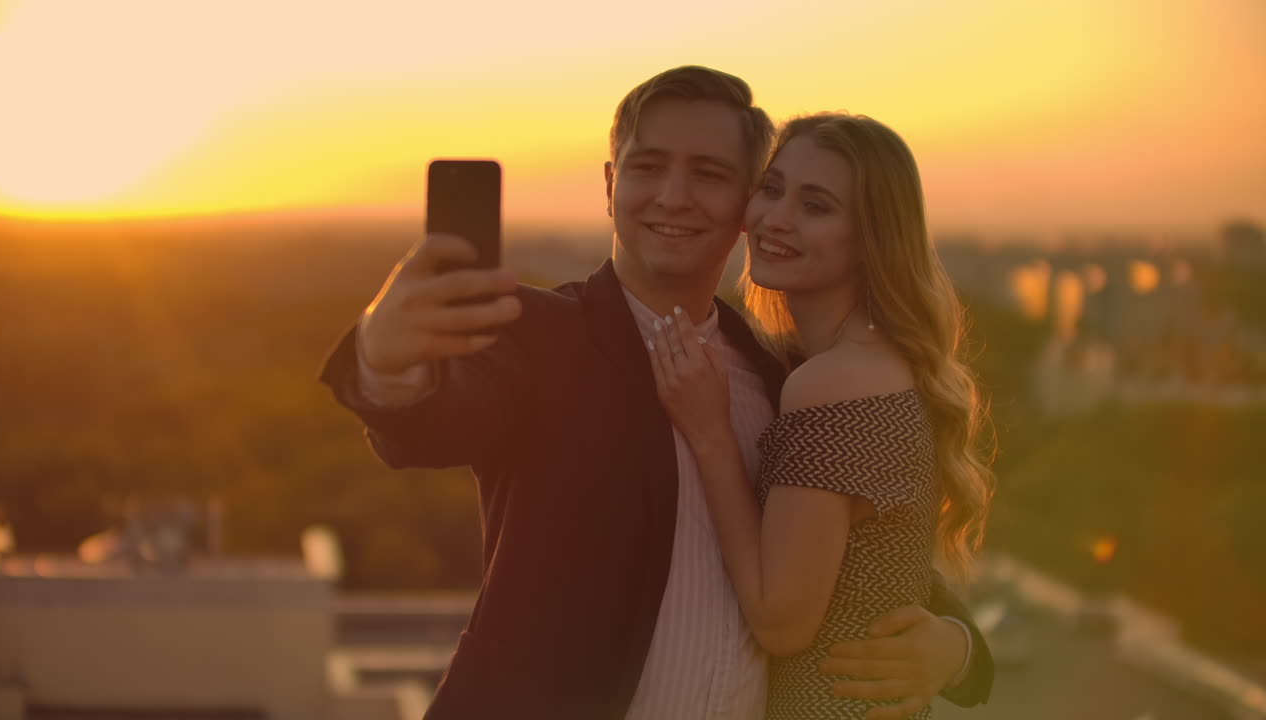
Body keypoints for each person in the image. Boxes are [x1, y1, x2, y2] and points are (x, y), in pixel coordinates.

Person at [320, 66, 993, 719]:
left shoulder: (781, 375)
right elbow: (433, 424)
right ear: (611, 185)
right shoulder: (536, 335)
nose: (673, 195)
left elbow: (856, 557)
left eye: (709, 174)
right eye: (647, 167)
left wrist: (956, 647)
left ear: (743, 204)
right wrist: (385, 361)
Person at [646, 112, 995, 719]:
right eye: (773, 189)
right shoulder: (868, 364)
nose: (776, 218)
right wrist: (957, 643)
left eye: (817, 206)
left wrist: (710, 433)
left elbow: (781, 622)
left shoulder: (835, 383)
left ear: (871, 240)